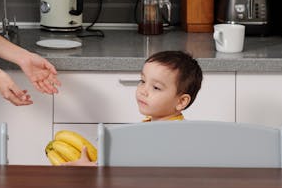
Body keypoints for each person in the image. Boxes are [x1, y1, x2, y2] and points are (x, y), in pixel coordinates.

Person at [64, 50, 202, 166]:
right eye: (142, 81)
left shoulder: (168, 136)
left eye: (156, 87)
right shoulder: (154, 125)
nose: (143, 91)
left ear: (181, 101)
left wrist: (91, 170)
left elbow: (135, 173)